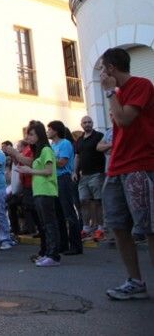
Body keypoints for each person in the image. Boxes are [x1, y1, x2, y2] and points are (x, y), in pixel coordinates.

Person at [98, 47, 154, 300]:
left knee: (150, 228)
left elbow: (124, 120)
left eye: (102, 68)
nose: (100, 73)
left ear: (111, 68)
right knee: (118, 226)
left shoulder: (141, 85)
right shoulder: (118, 94)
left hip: (139, 165)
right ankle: (135, 281)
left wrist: (110, 92)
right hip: (117, 166)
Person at [16, 122, 62, 267]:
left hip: (46, 191)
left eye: (31, 134)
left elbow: (48, 170)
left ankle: (54, 256)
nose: (28, 137)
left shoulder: (46, 150)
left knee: (49, 224)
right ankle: (48, 253)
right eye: (28, 134)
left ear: (39, 135)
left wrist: (29, 171)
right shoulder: (39, 151)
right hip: (39, 191)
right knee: (45, 224)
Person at [47, 120, 82, 255]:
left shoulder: (65, 143)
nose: (48, 132)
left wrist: (48, 161)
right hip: (54, 180)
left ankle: (76, 245)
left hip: (64, 178)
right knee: (58, 213)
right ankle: (63, 244)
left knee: (68, 212)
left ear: (56, 130)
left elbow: (62, 162)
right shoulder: (51, 145)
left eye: (50, 129)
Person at [73, 116, 106, 241]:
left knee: (98, 202)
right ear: (81, 124)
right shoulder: (80, 140)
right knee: (83, 201)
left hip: (97, 174)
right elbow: (77, 156)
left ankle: (100, 228)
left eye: (89, 122)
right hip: (83, 176)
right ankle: (86, 228)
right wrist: (74, 171)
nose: (87, 124)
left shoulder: (99, 136)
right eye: (85, 122)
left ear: (92, 123)